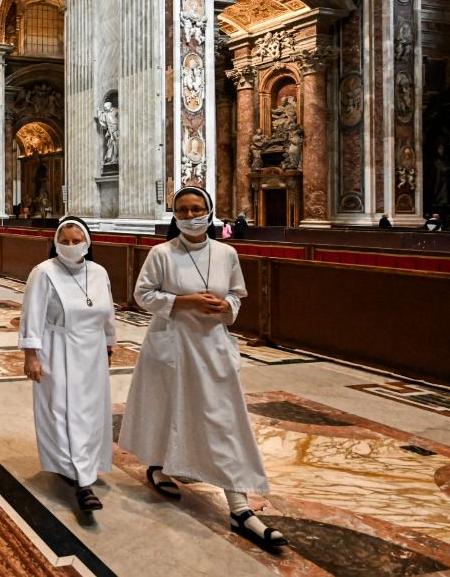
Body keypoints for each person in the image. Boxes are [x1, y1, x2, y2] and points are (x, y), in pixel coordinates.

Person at [121, 186, 287, 550]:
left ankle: (239, 506)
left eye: (197, 209)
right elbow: (142, 295)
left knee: (224, 420)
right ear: (174, 216)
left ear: (210, 211)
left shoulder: (227, 253)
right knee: (169, 409)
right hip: (172, 343)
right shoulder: (161, 253)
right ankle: (160, 465)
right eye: (183, 210)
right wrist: (184, 301)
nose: (190, 215)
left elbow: (236, 296)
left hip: (212, 346)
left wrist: (226, 307)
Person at [19, 216, 116, 513]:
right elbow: (31, 315)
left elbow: (107, 312)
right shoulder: (43, 272)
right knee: (61, 410)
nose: (71, 246)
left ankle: (86, 464)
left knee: (90, 411)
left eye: (77, 241)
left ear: (88, 242)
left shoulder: (99, 272)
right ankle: (78, 478)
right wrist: (31, 355)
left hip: (92, 352)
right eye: (65, 241)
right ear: (55, 243)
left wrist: (109, 343)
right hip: (56, 348)